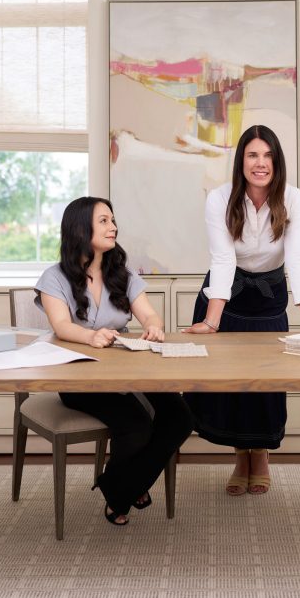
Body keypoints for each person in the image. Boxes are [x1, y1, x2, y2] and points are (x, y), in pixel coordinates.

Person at [184, 124, 300, 496]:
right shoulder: (220, 198)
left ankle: (259, 457)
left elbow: (297, 258)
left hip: (268, 293)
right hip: (225, 294)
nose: (260, 163)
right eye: (252, 155)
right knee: (231, 383)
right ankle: (239, 459)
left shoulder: (294, 199)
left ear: (277, 161)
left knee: (265, 383)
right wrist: (211, 322)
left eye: (267, 155)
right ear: (241, 161)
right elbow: (223, 258)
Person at [35, 196, 193, 526]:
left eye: (113, 220)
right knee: (136, 425)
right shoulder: (54, 277)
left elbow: (149, 314)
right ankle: (125, 493)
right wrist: (90, 336)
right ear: (80, 228)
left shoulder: (123, 274)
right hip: (79, 376)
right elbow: (61, 325)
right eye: (104, 221)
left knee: (180, 417)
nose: (113, 227)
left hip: (130, 369)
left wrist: (154, 326)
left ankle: (118, 486)